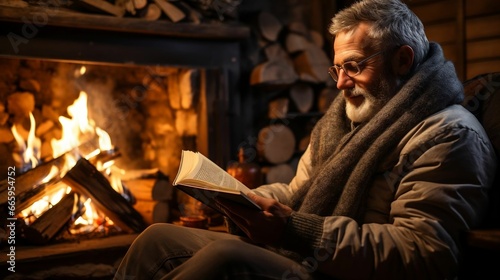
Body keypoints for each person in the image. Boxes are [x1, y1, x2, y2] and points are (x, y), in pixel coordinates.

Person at [114, 0, 497, 279]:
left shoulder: (448, 135)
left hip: (339, 270)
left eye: (354, 67)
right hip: (307, 253)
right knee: (156, 238)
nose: (341, 84)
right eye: (337, 68)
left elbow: (425, 255)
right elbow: (300, 190)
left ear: (402, 60)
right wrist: (241, 200)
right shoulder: (347, 120)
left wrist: (296, 230)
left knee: (226, 257)